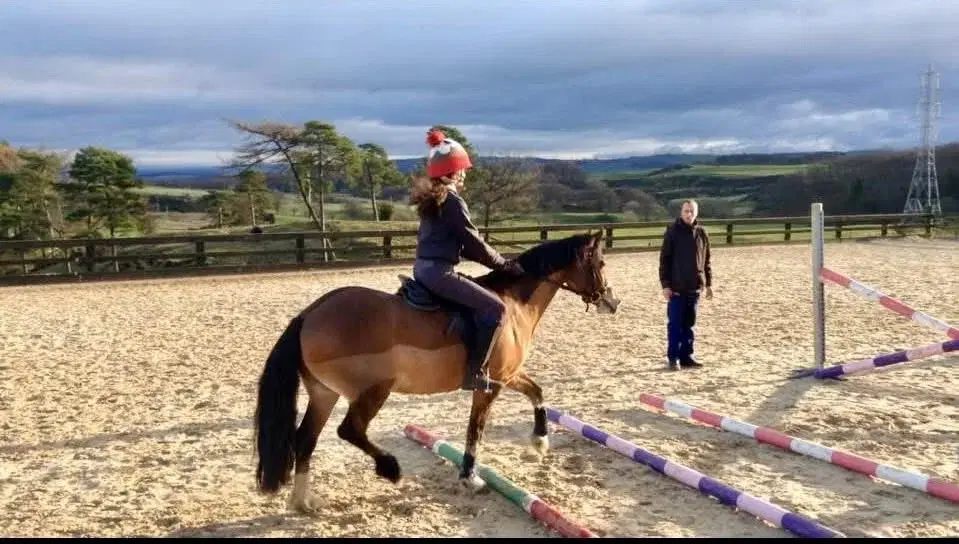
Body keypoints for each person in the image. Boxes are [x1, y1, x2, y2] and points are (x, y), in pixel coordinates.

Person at [409, 128, 524, 391]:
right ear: (454, 170)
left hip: (424, 269)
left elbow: (465, 246)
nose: (464, 174)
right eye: (463, 169)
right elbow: (473, 241)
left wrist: (496, 262)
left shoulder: (435, 198)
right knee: (497, 309)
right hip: (440, 272)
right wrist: (503, 264)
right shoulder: (452, 200)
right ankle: (475, 373)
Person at [658, 199, 713, 371]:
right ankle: (673, 358)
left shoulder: (702, 233)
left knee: (689, 324)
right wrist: (665, 285)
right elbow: (664, 261)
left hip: (694, 287)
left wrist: (709, 283)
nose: (689, 214)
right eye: (686, 211)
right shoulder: (672, 233)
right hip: (676, 288)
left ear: (696, 213)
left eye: (691, 211)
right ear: (681, 213)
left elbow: (707, 260)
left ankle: (687, 356)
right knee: (675, 325)